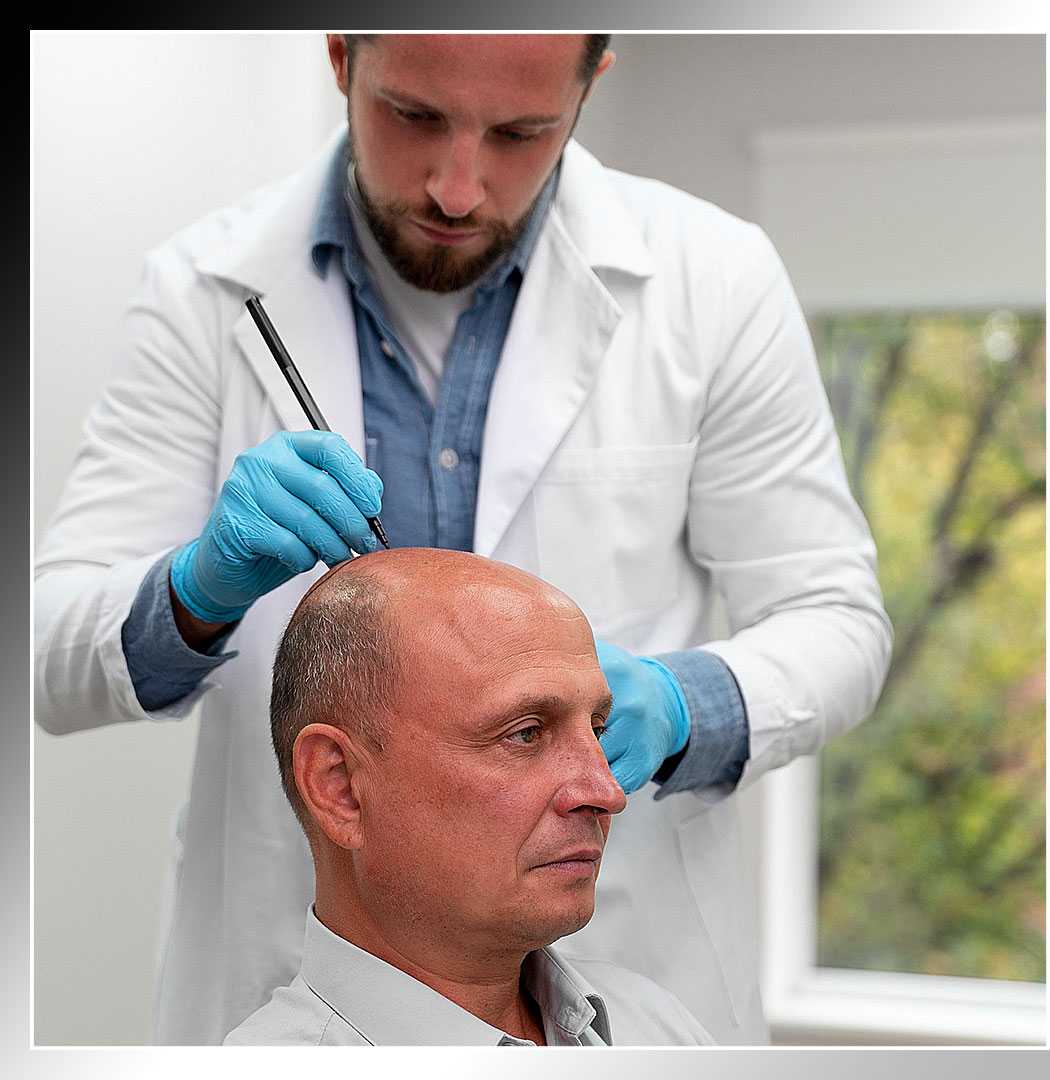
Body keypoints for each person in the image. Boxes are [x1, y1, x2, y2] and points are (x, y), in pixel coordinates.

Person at [34, 34, 892, 1045]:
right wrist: (196, 589)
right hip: (292, 979)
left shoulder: (715, 280)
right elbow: (48, 656)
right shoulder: (202, 290)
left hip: (627, 977)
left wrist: (681, 705)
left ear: (588, 86)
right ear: (342, 57)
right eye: (416, 118)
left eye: (522, 134)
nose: (455, 187)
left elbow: (837, 619)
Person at [225, 548, 713, 1046]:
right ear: (340, 787)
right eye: (525, 734)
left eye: (597, 728)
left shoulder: (658, 1027)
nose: (606, 792)